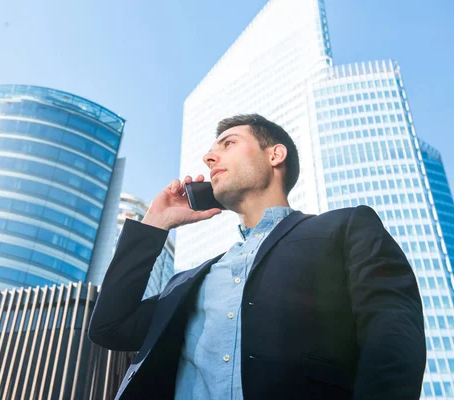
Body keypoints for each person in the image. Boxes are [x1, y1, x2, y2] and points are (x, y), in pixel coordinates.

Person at [88, 114, 426, 399]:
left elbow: (392, 339)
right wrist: (156, 223)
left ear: (275, 154)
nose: (209, 159)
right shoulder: (190, 280)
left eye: (228, 143)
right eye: (209, 152)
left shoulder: (346, 227)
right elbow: (109, 328)